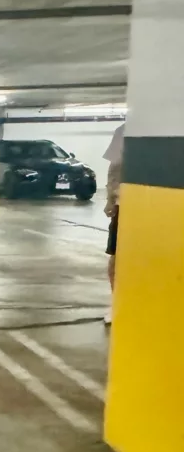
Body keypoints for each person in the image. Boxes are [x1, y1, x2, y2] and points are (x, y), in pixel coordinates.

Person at [103, 123, 124, 325]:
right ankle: (116, 302)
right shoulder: (125, 130)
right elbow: (115, 167)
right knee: (117, 256)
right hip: (125, 204)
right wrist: (111, 198)